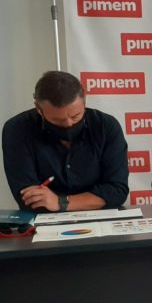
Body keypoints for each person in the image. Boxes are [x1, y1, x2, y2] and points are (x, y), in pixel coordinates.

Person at [3, 71, 129, 212]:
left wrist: (61, 202)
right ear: (39, 109)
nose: (69, 124)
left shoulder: (105, 126)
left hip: (102, 217)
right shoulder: (17, 129)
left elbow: (117, 191)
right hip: (43, 220)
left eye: (76, 116)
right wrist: (91, 199)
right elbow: (28, 198)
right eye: (57, 120)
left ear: (84, 102)